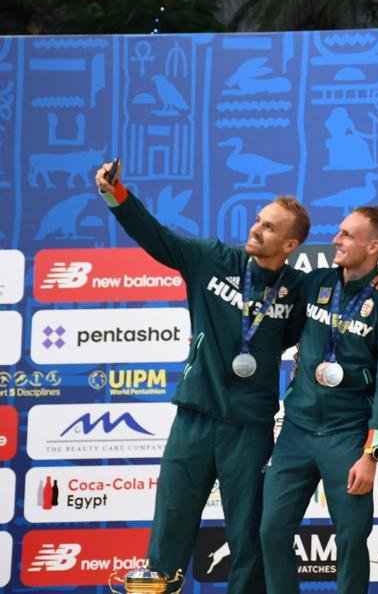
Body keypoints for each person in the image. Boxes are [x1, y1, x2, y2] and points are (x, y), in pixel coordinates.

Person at [95, 161, 308, 592]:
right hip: (195, 418)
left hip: (250, 428)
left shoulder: (300, 289)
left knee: (248, 539)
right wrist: (115, 194)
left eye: (269, 228)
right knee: (169, 531)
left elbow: (339, 298)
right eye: (258, 220)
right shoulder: (212, 258)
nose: (256, 229)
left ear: (290, 244)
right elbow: (156, 236)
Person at [260, 206, 378, 594]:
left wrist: (371, 455)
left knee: (352, 538)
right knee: (271, 531)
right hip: (296, 432)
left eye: (346, 235)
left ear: (373, 247)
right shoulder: (316, 282)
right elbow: (273, 315)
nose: (335, 240)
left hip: (348, 437)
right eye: (339, 232)